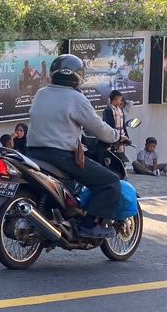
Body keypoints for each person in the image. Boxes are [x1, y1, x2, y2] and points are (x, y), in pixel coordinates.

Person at [27, 54, 123, 239]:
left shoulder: (41, 93)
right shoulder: (75, 98)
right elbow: (98, 127)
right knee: (110, 182)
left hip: (32, 153)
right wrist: (117, 136)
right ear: (78, 75)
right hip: (61, 157)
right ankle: (90, 225)